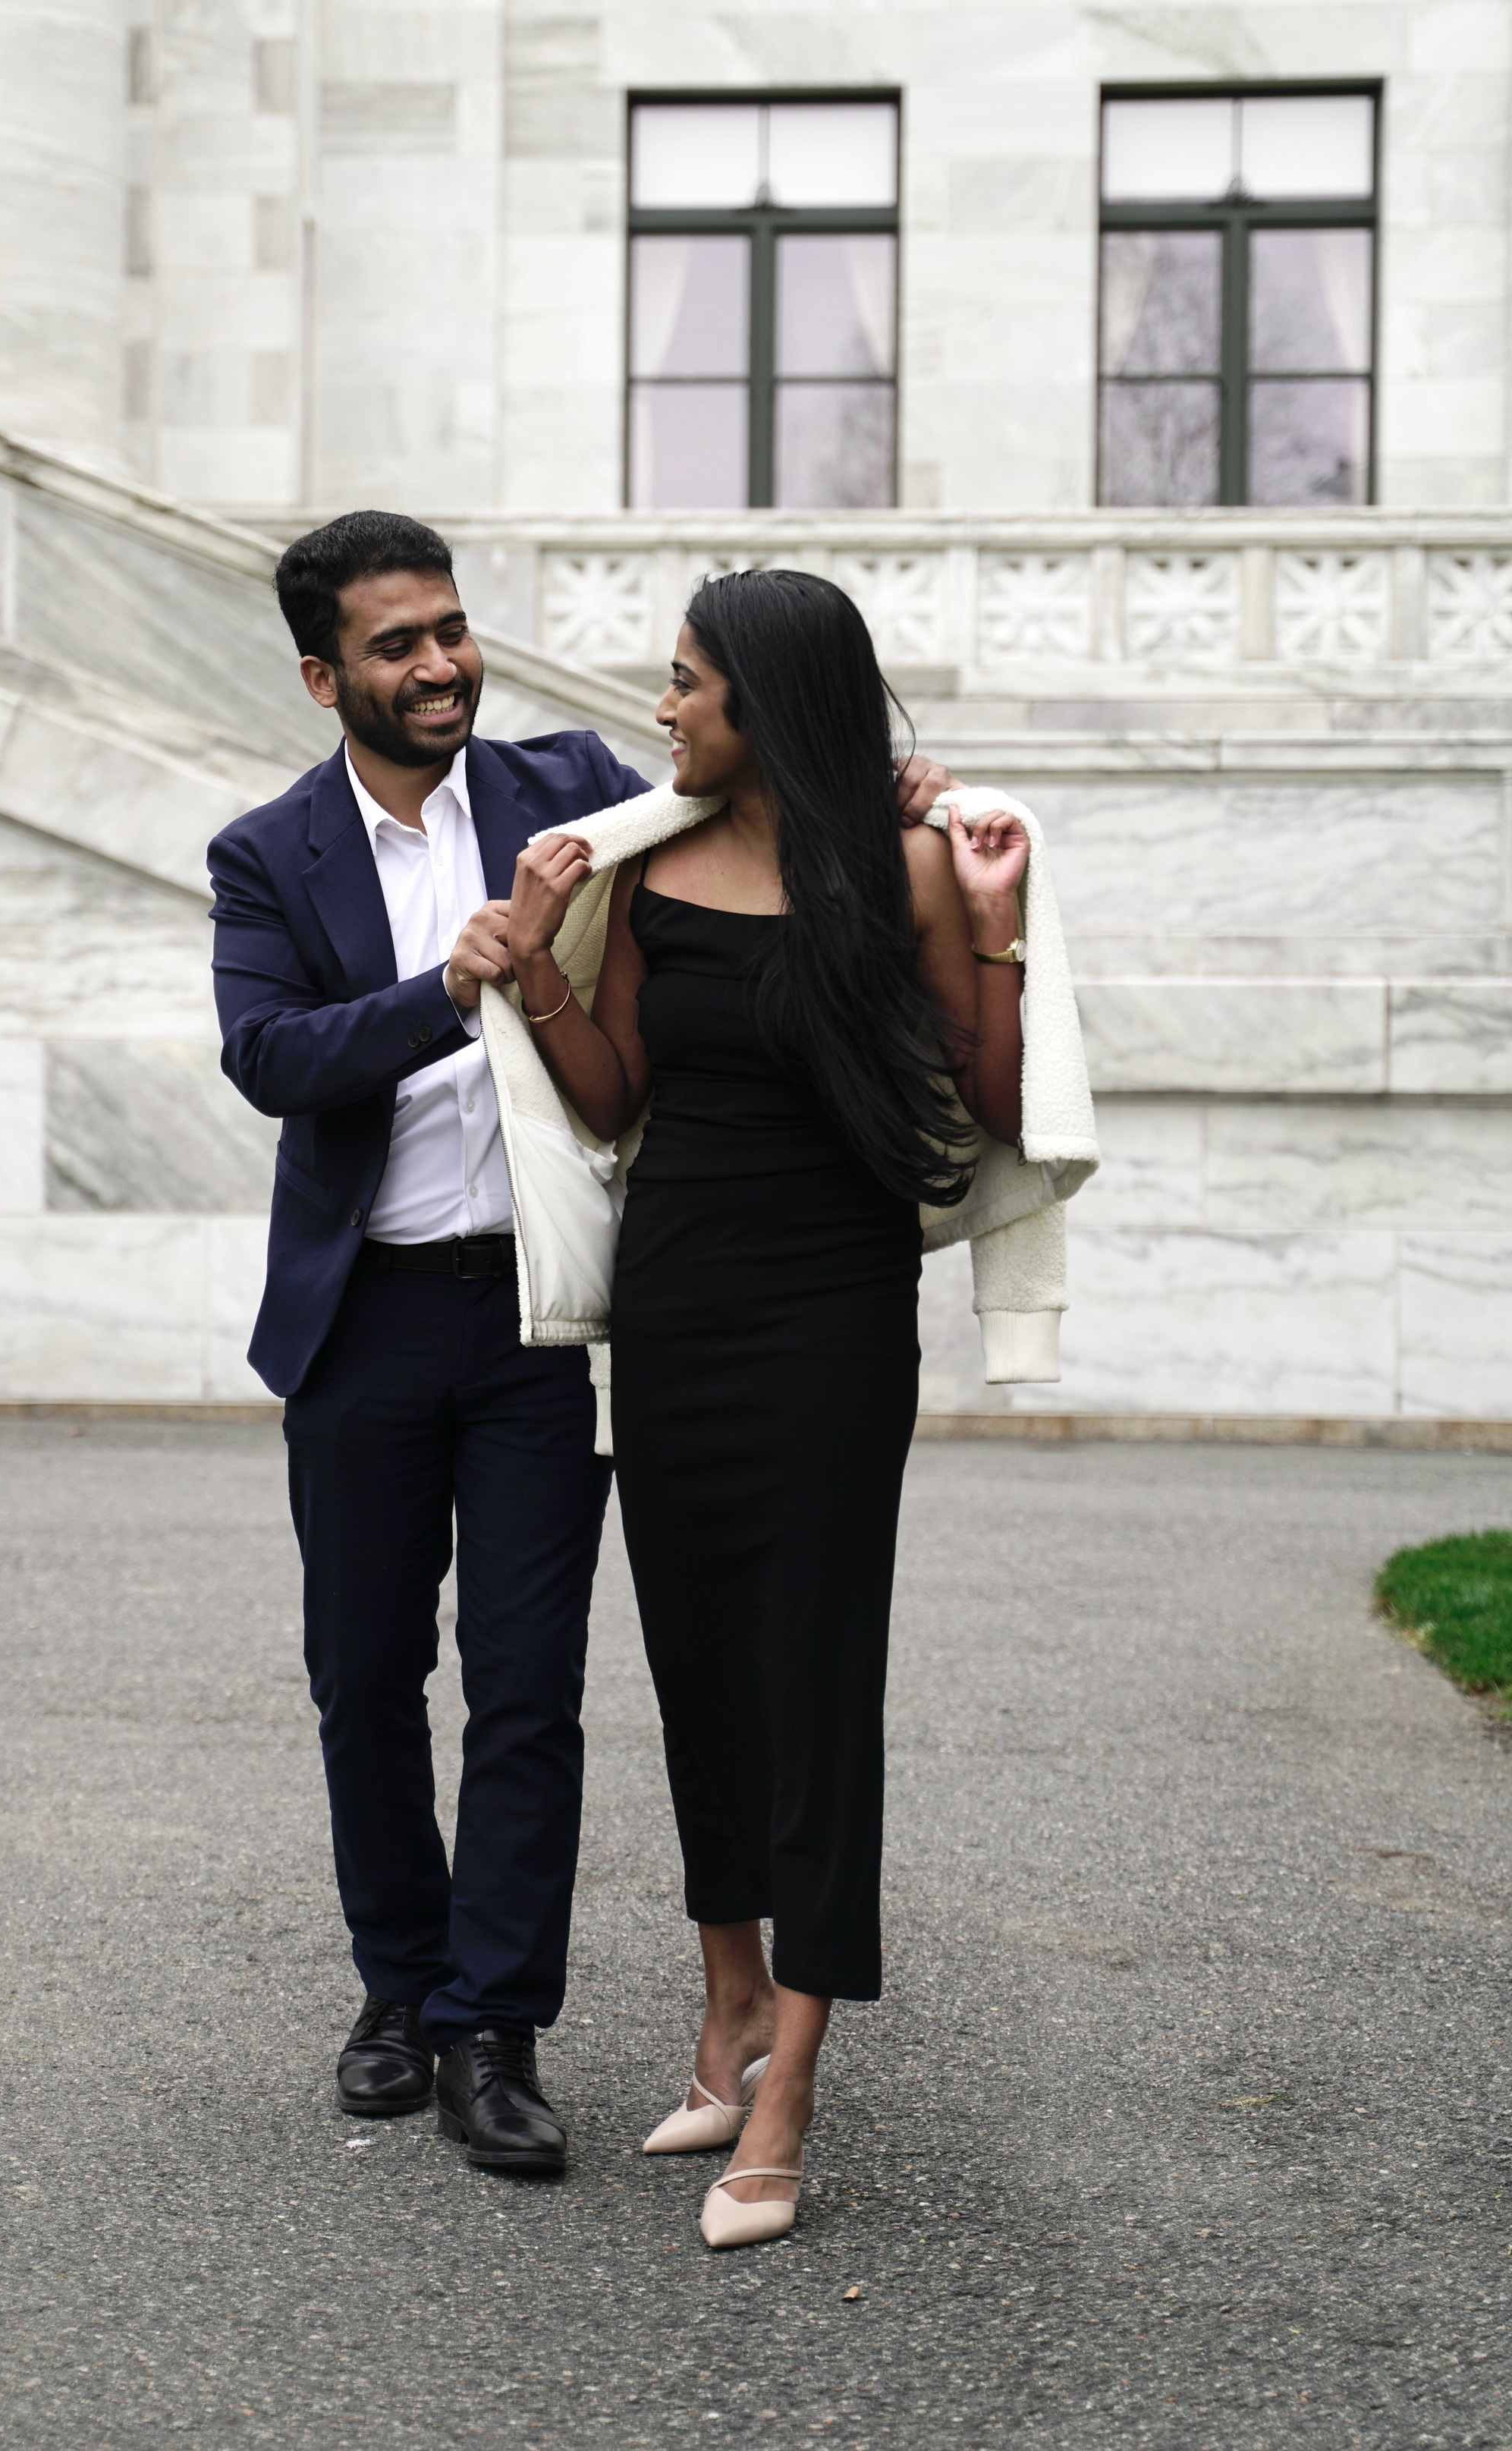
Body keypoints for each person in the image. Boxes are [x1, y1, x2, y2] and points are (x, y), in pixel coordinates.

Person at [209, 518, 958, 2179]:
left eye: (451, 631)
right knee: (361, 1675)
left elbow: (755, 787)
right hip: (364, 1319)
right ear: (325, 675)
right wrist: (449, 977)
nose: (439, 666)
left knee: (530, 1683)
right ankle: (395, 1992)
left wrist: (888, 799)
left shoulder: (573, 784)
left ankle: (494, 2024)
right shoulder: (269, 853)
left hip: (543, 1309)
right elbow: (264, 1053)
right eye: (396, 646)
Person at [498, 567, 1029, 2246]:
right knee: (698, 1666)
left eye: (686, 685)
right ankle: (724, 2013)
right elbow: (611, 1102)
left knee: (811, 1675)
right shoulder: (646, 862)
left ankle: (790, 2076)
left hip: (832, 1322)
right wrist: (533, 963)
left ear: (768, 699)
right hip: (674, 1317)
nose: (661, 709)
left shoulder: (909, 866)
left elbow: (989, 1099)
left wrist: (998, 920)